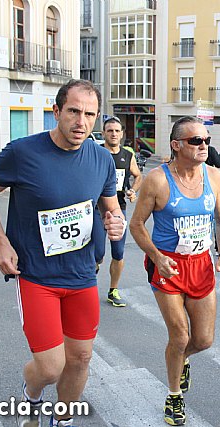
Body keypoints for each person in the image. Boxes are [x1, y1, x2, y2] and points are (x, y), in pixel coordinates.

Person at [0, 79, 126, 427]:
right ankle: (30, 395)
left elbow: (111, 208)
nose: (81, 122)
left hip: (83, 273)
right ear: (56, 111)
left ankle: (63, 419)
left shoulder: (102, 159)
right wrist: (1, 242)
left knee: (81, 358)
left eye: (89, 114)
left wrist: (115, 222)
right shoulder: (22, 152)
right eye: (73, 111)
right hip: (36, 276)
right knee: (50, 366)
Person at [129, 116, 220, 426]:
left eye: (206, 140)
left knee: (203, 340)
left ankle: (181, 359)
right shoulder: (158, 180)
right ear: (176, 145)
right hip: (168, 265)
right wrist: (157, 257)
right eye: (195, 141)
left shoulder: (214, 177)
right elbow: (136, 225)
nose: (203, 146)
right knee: (180, 335)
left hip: (200, 264)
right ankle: (174, 395)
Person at [92, 116, 143, 307]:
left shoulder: (127, 155)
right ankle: (89, 279)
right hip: (96, 209)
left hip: (118, 208)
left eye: (117, 131)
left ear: (122, 134)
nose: (113, 134)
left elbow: (138, 176)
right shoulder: (96, 153)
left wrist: (132, 191)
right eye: (109, 131)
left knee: (118, 252)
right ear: (104, 133)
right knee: (97, 253)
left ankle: (113, 290)